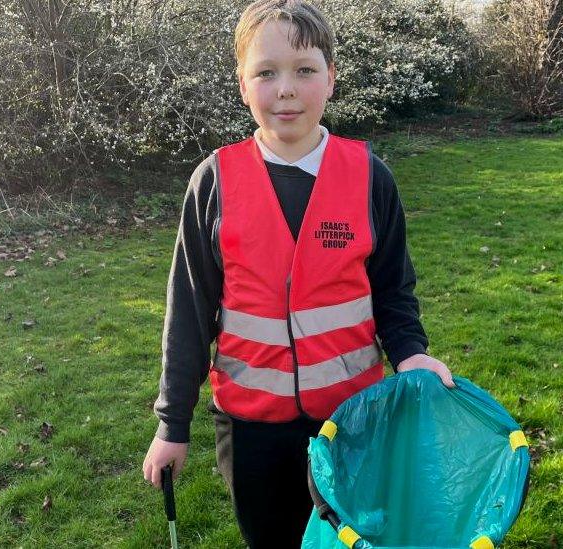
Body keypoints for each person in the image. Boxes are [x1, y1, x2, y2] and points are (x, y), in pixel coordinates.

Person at [142, 1, 454, 547]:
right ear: (243, 84)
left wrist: (410, 352)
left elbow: (393, 289)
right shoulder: (214, 181)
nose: (286, 89)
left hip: (352, 419)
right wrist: (173, 423)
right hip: (249, 430)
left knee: (351, 539)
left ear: (331, 80)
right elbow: (189, 310)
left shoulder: (368, 177)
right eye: (266, 72)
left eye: (305, 70)